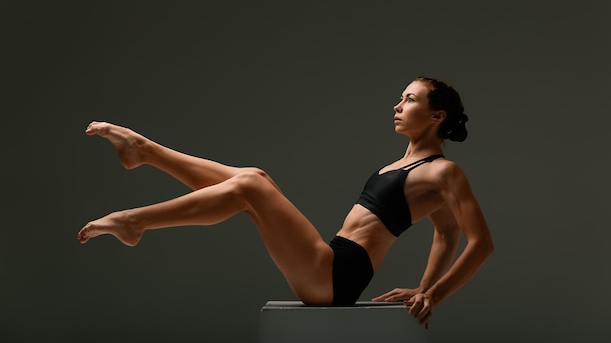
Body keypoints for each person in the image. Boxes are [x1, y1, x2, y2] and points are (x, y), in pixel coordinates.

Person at [77, 76, 493, 328]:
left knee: (250, 190)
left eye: (410, 100)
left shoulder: (443, 172)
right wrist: (423, 286)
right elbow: (445, 232)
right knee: (255, 178)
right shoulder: (403, 165)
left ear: (437, 116)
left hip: (336, 280)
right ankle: (144, 150)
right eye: (401, 98)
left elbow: (479, 242)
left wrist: (434, 295)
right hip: (332, 261)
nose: (398, 106)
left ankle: (135, 222)